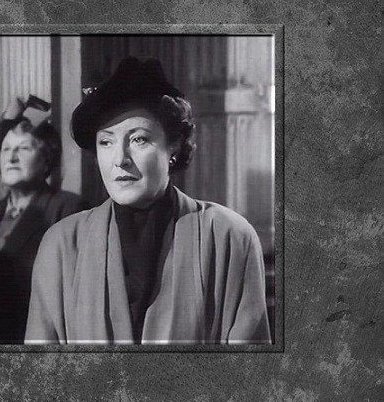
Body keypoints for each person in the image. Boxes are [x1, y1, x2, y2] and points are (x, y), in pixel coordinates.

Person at [25, 58, 271, 345]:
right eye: (106, 142)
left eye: (138, 139)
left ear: (173, 146)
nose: (120, 159)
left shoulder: (229, 237)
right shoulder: (61, 244)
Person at [0, 96, 85, 344]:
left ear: (46, 159)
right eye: (6, 150)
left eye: (23, 149)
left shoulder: (68, 210)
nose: (11, 158)